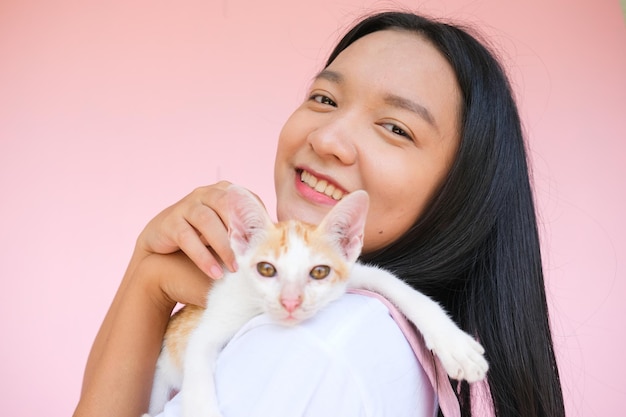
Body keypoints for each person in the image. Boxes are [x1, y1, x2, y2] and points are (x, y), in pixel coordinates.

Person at [73, 11, 565, 417]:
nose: (327, 139)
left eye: (395, 128)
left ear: (464, 192)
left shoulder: (313, 344)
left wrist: (147, 282)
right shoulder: (381, 339)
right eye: (324, 99)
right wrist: (149, 276)